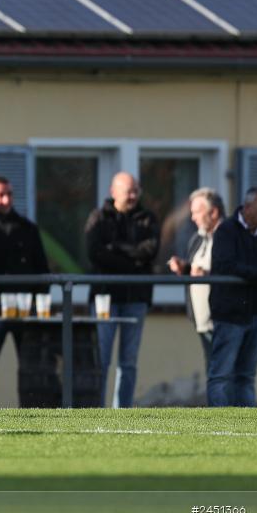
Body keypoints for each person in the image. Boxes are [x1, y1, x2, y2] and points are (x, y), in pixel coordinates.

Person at [0, 176, 49, 408]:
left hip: (24, 308)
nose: (5, 200)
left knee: (30, 369)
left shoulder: (27, 228)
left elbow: (41, 270)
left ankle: (32, 412)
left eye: (9, 194)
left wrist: (39, 304)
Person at [85, 172, 160, 408]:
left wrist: (116, 249)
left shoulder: (147, 218)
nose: (133, 196)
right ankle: (96, 410)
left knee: (128, 361)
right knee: (101, 359)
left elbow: (150, 250)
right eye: (128, 191)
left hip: (136, 297)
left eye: (136, 190)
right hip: (105, 297)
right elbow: (95, 252)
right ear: (113, 191)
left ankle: (123, 413)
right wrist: (132, 259)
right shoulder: (99, 218)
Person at [207, 187, 257, 407]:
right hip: (231, 315)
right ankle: (221, 428)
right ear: (247, 207)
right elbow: (226, 265)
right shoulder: (227, 231)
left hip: (256, 315)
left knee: (246, 377)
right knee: (221, 376)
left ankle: (246, 429)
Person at [167, 188, 225, 368]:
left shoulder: (229, 237)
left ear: (213, 212)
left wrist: (207, 274)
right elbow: (196, 269)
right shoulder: (198, 238)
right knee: (213, 368)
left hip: (223, 318)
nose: (193, 218)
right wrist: (184, 267)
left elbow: (233, 269)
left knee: (224, 371)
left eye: (197, 212)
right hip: (202, 319)